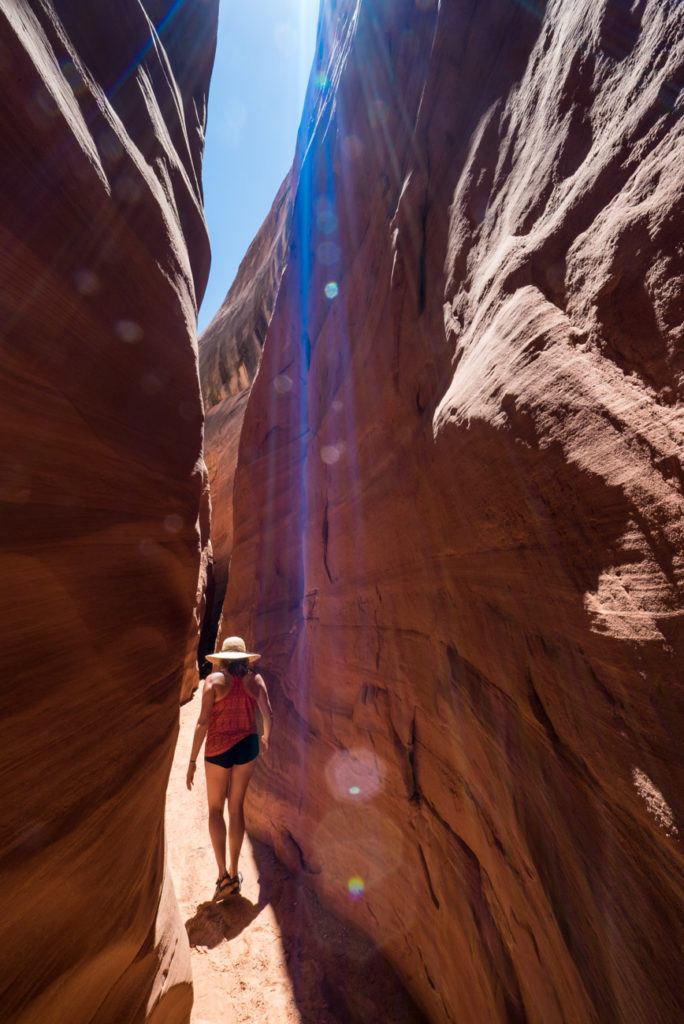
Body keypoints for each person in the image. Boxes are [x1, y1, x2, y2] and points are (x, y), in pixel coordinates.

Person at [186, 635, 273, 900]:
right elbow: (267, 712)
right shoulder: (255, 680)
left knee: (215, 809)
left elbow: (202, 723)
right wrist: (266, 737)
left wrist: (191, 761)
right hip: (247, 747)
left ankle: (222, 876)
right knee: (236, 808)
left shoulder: (213, 682)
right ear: (245, 657)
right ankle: (235, 875)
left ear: (223, 658)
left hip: (218, 749)